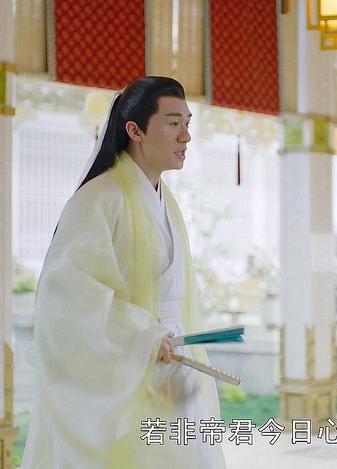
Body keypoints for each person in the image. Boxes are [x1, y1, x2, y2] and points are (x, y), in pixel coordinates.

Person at [21, 76, 226, 469]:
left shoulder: (168, 202)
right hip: (122, 368)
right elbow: (68, 299)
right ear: (135, 130)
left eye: (188, 123)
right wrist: (143, 335)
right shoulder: (98, 199)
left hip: (172, 362)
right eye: (173, 123)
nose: (186, 136)